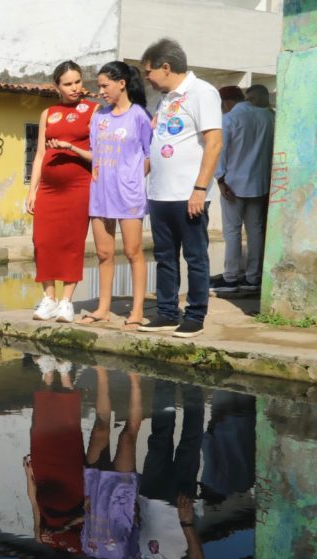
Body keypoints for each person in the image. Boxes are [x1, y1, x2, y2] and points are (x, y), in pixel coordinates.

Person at [138, 38, 223, 339]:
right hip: (160, 193)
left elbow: (214, 143)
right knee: (164, 257)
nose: (147, 78)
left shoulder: (202, 92)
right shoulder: (164, 99)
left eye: (148, 72)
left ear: (166, 67)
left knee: (195, 257)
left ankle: (195, 315)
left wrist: (199, 188)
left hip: (188, 194)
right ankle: (166, 311)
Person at [78, 62, 152, 331]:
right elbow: (95, 153)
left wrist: (133, 179)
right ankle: (103, 309)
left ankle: (137, 310)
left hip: (128, 195)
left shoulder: (139, 116)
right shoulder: (99, 116)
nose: (101, 91)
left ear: (122, 84)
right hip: (100, 194)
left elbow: (149, 154)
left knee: (133, 252)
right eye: (99, 86)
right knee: (103, 253)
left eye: (104, 85)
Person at [26, 61, 96, 324]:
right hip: (48, 188)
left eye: (78, 82)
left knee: (72, 243)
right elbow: (40, 154)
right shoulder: (48, 113)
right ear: (57, 86)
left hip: (78, 186)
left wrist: (71, 147)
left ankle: (67, 302)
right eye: (68, 84)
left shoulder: (93, 110)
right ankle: (49, 299)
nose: (74, 88)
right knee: (42, 241)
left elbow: (98, 153)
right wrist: (32, 191)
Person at [135, 379, 205, 559]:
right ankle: (192, 386)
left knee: (158, 439)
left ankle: (164, 382)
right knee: (189, 443)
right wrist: (187, 522)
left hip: (149, 498)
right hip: (176, 507)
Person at [82, 367, 142, 559]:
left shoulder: (88, 549)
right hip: (120, 496)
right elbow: (139, 528)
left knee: (100, 429)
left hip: (95, 489)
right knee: (127, 436)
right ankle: (135, 380)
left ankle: (102, 374)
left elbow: (86, 519)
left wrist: (85, 503)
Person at [211, 84, 275, 295]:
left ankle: (230, 278)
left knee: (232, 231)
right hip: (259, 183)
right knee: (255, 230)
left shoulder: (230, 119)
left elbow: (221, 151)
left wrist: (220, 179)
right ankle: (252, 277)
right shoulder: (268, 117)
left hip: (233, 184)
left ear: (225, 103)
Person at [23, 355, 85, 555]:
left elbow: (35, 506)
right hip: (72, 481)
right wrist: (65, 527)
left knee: (41, 424)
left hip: (45, 475)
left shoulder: (43, 540)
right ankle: (65, 372)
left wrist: (29, 475)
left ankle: (48, 371)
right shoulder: (81, 548)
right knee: (69, 426)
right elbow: (91, 517)